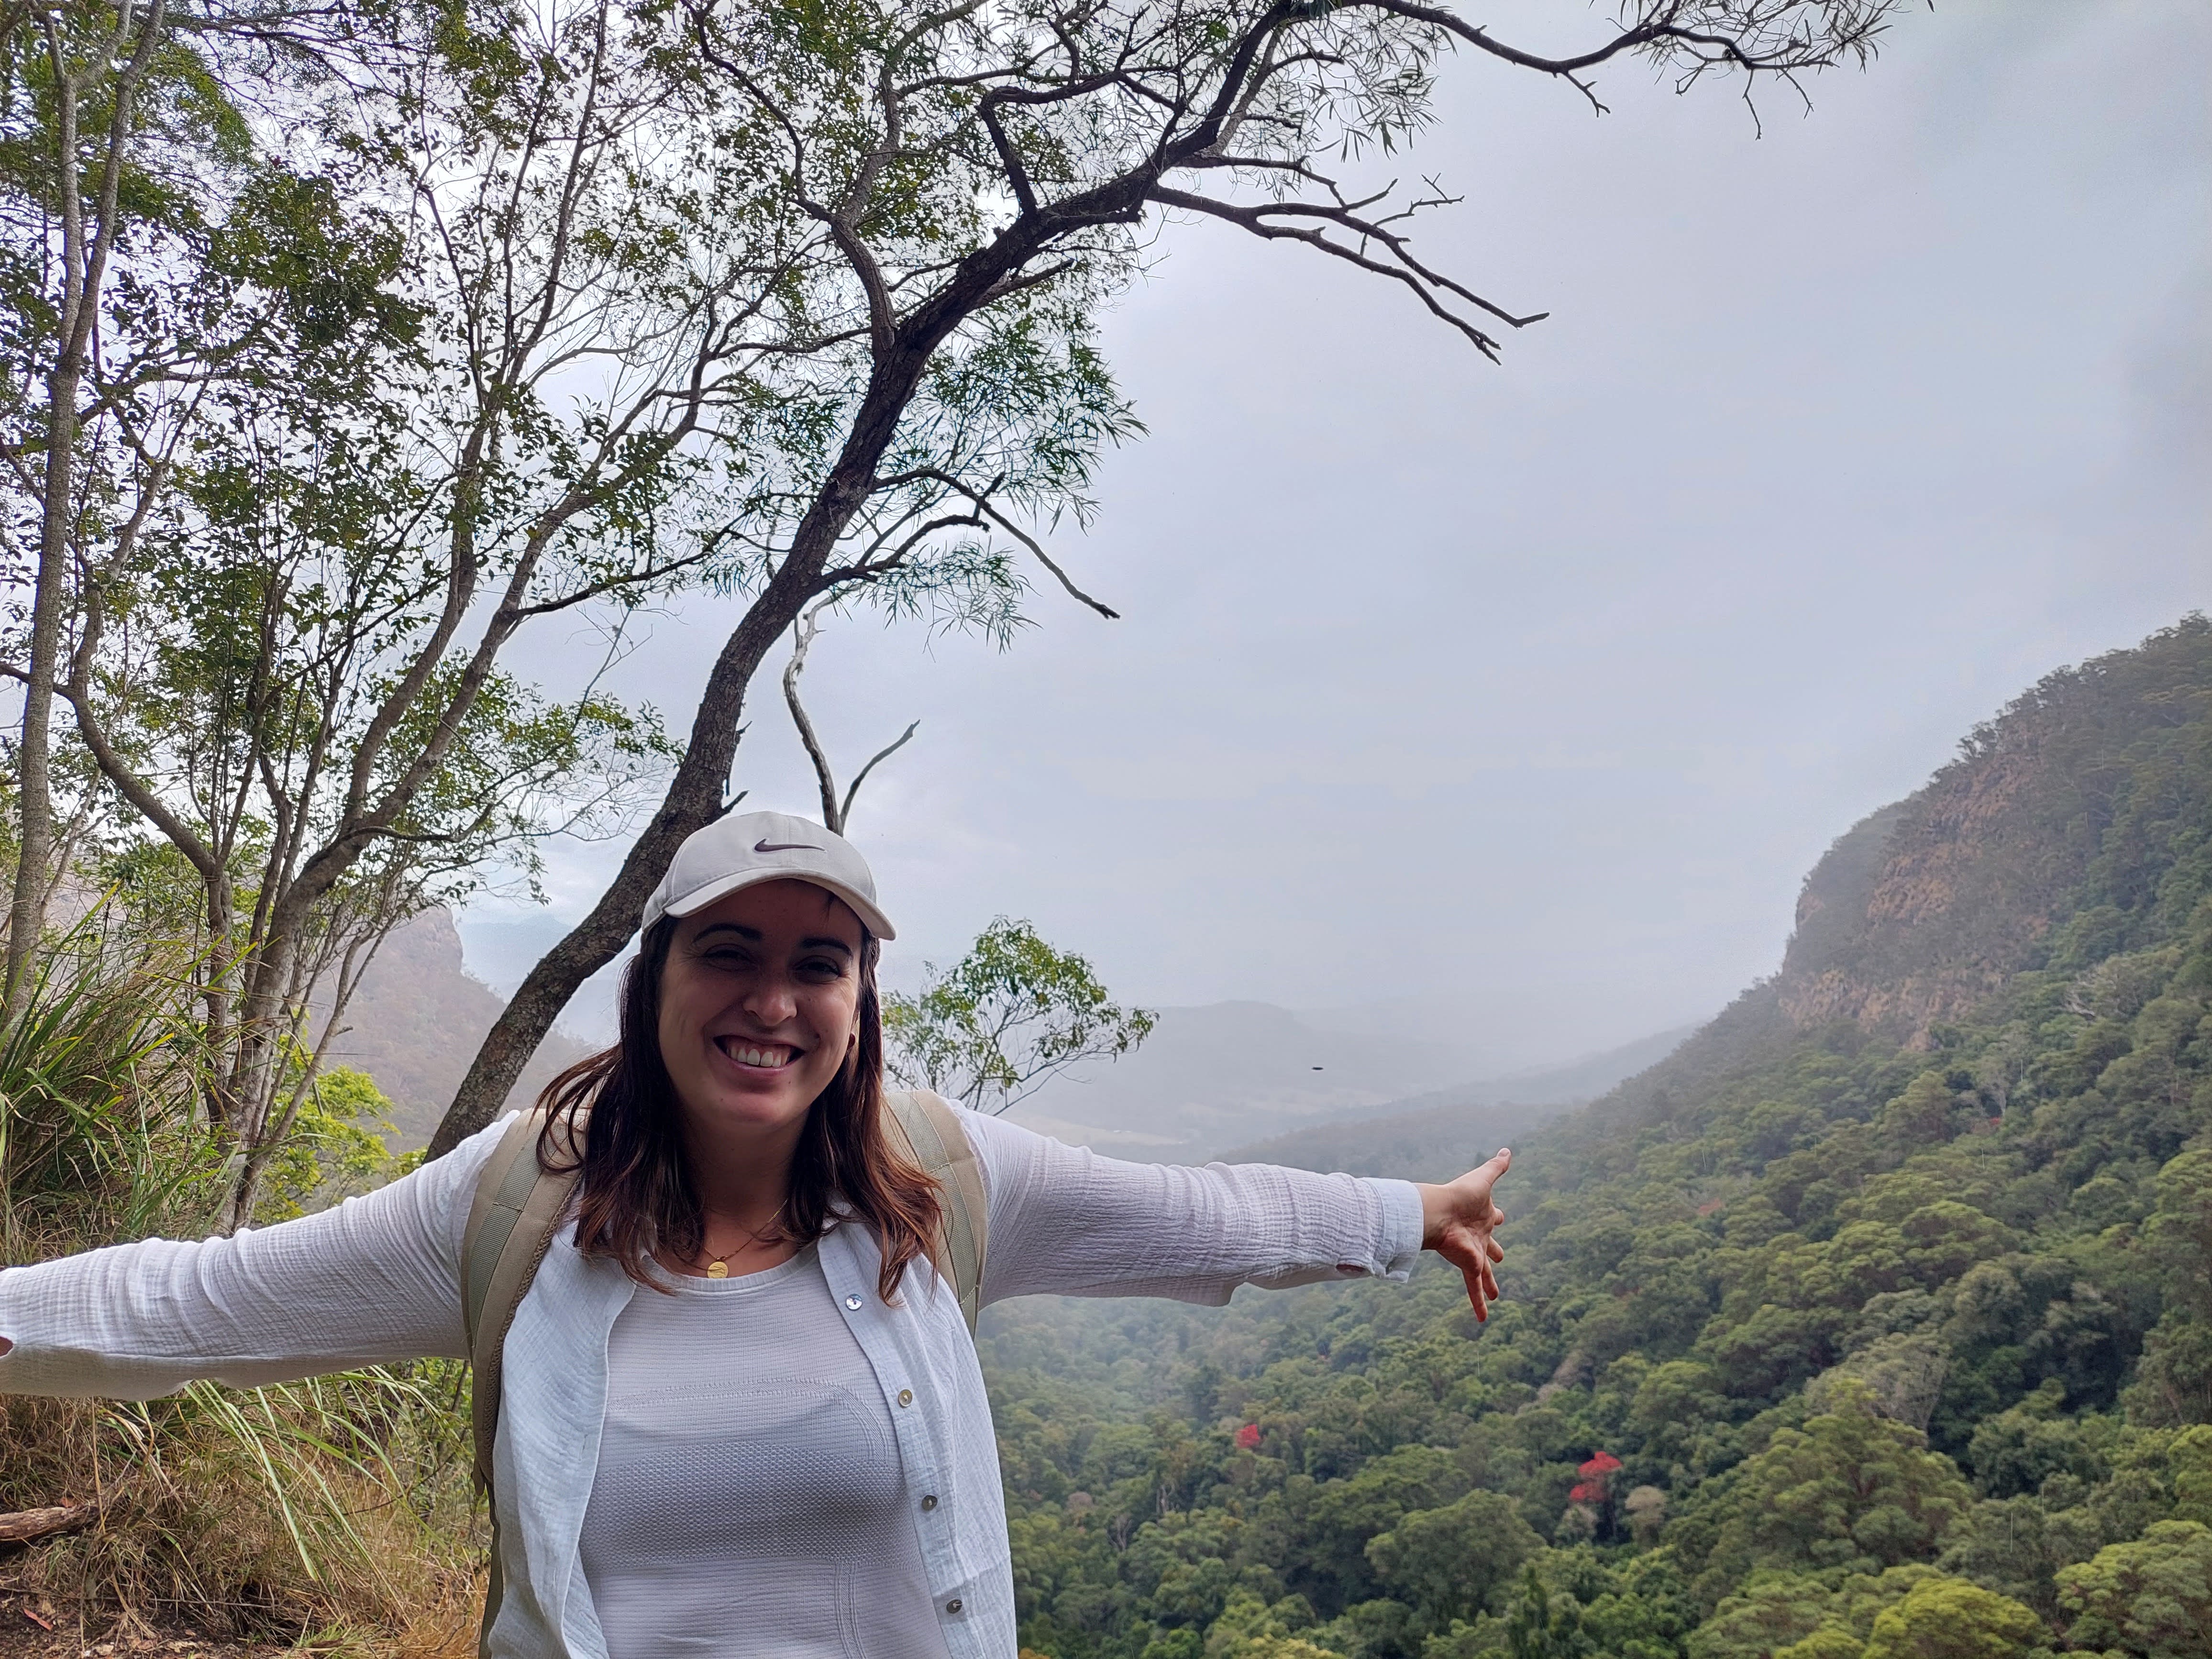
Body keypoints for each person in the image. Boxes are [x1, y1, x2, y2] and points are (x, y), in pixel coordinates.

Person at [0, 812, 1512, 1659]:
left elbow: (1203, 1214)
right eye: (731, 951)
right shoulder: (512, 1206)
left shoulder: (937, 1177)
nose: (773, 1000)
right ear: (657, 977)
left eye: (819, 962)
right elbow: (196, 1301)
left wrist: (1407, 1213)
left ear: (858, 1001)